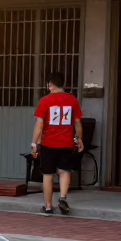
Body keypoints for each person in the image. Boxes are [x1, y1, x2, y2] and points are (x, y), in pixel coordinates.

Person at [31, 72, 84, 215]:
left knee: (48, 174)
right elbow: (78, 123)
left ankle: (48, 207)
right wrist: (79, 139)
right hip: (66, 142)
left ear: (49, 84)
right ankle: (62, 197)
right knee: (64, 170)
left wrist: (34, 143)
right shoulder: (72, 100)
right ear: (63, 84)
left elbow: (39, 124)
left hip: (48, 143)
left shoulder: (45, 100)